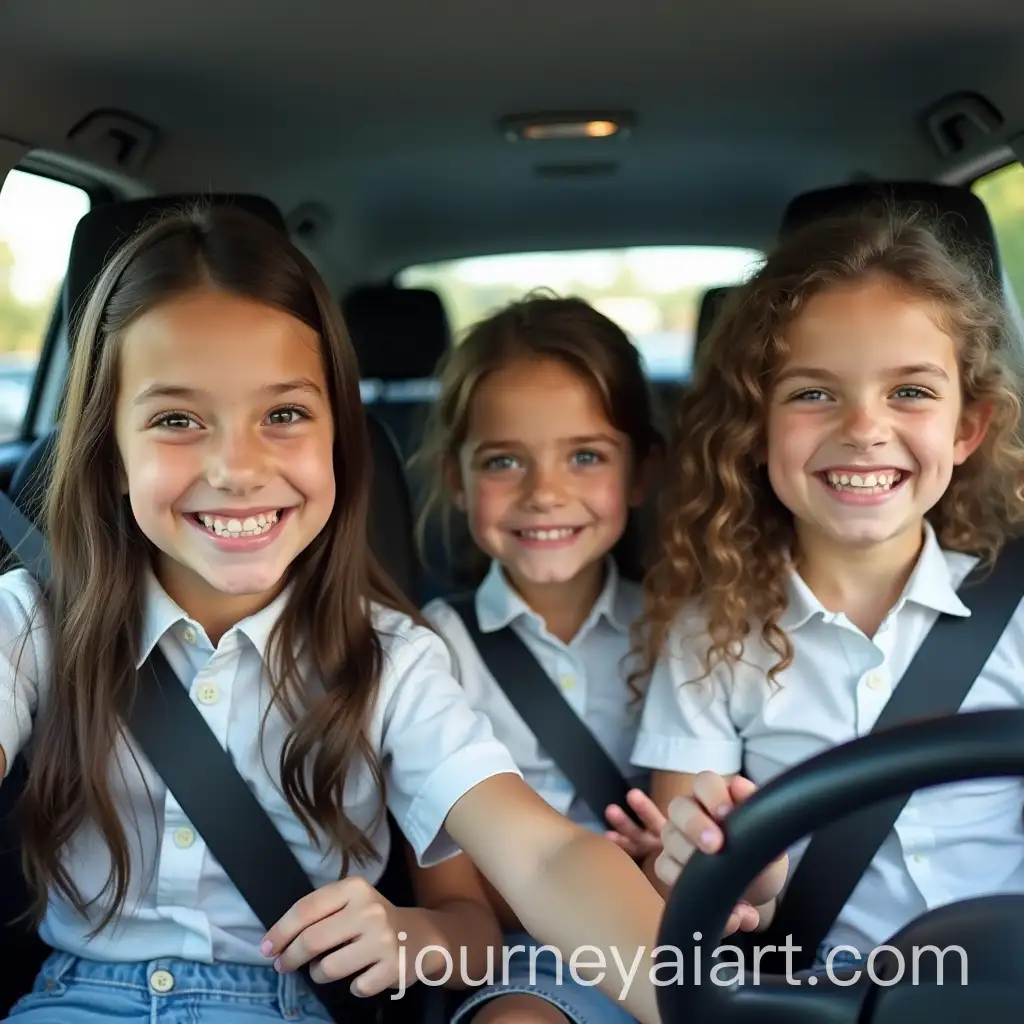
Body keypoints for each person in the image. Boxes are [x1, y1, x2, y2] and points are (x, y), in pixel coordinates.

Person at [0, 208, 667, 1024]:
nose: (237, 469)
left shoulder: (391, 657)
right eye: (177, 420)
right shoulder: (30, 622)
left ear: (337, 441)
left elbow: (544, 853)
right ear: (109, 452)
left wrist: (701, 1008)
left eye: (283, 415)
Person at [630, 206, 1024, 970]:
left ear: (968, 428)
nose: (864, 428)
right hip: (818, 993)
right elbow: (689, 879)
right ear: (756, 425)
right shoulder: (711, 636)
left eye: (910, 392)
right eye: (814, 394)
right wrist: (738, 877)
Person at [411, 294, 670, 1024]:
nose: (545, 493)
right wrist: (615, 876)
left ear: (641, 471)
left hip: (679, 936)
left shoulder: (685, 632)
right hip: (524, 960)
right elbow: (452, 897)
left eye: (585, 456)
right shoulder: (432, 651)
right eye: (503, 462)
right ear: (457, 480)